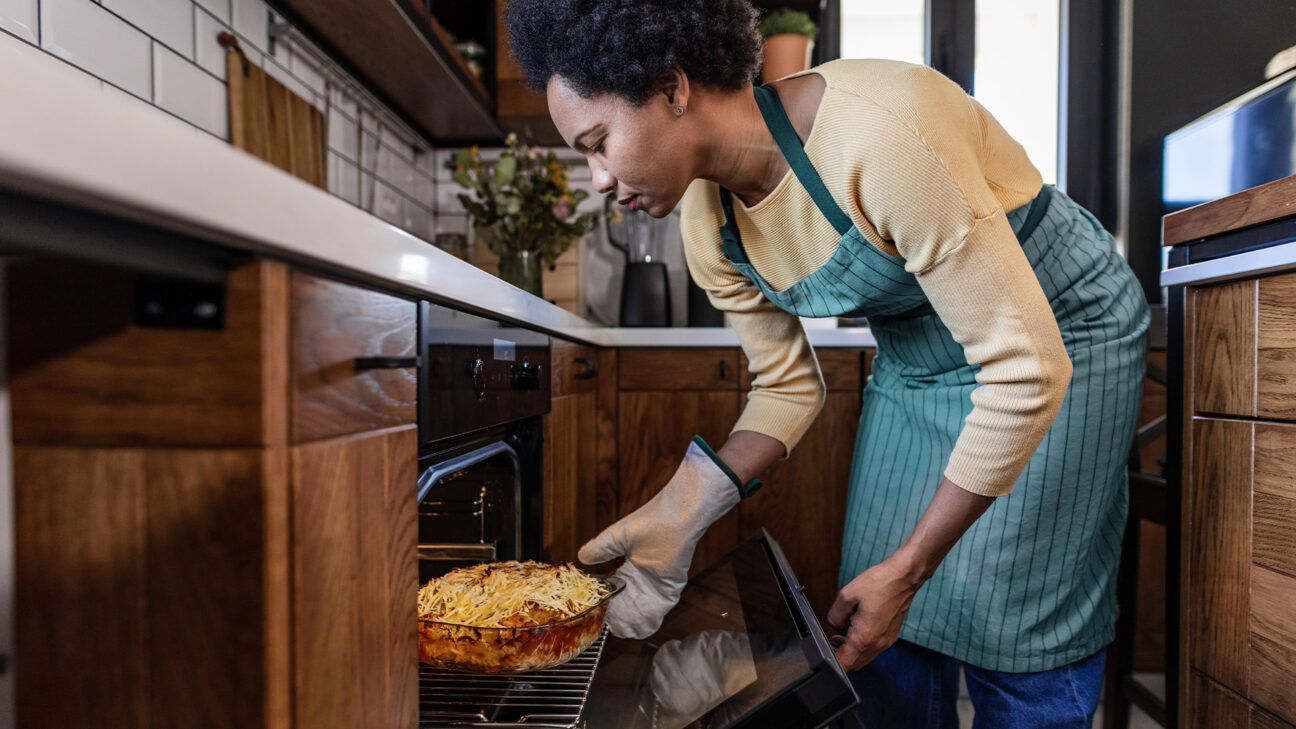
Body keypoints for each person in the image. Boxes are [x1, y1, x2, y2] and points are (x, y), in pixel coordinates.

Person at [505, 1, 1149, 726]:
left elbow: (1026, 370)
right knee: (870, 609)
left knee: (1019, 608)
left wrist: (912, 570)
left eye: (597, 142)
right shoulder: (707, 227)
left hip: (1058, 334)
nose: (596, 178)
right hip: (918, 358)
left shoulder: (884, 131)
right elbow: (785, 387)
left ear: (672, 86)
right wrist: (682, 507)